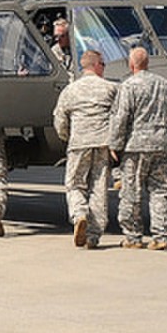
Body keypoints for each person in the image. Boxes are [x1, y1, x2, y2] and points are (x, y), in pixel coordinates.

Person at [110, 47, 167, 250]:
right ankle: (161, 236)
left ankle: (133, 236)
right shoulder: (165, 84)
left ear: (132, 65)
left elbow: (121, 117)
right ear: (147, 63)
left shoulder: (128, 86)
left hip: (136, 146)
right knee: (159, 191)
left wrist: (115, 144)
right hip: (162, 144)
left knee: (131, 191)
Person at [52, 50, 119, 248]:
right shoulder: (111, 88)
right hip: (103, 143)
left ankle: (79, 214)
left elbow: (60, 120)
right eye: (103, 64)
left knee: (75, 184)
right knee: (98, 189)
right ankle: (93, 235)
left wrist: (67, 137)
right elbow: (120, 115)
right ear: (97, 65)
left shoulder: (70, 90)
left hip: (79, 143)